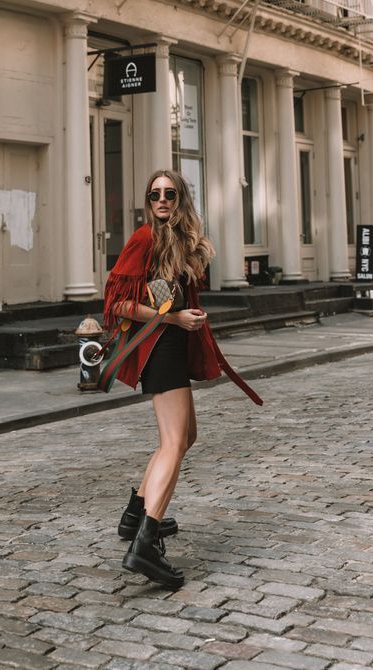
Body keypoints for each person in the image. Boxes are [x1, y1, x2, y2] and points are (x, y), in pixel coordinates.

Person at [102, 167, 262, 590]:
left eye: (169, 193)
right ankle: (146, 543)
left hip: (171, 344)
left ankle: (136, 513)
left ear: (180, 199)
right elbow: (117, 303)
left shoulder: (180, 239)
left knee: (186, 435)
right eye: (154, 194)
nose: (161, 200)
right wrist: (173, 317)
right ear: (148, 200)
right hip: (159, 347)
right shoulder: (143, 238)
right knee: (174, 442)